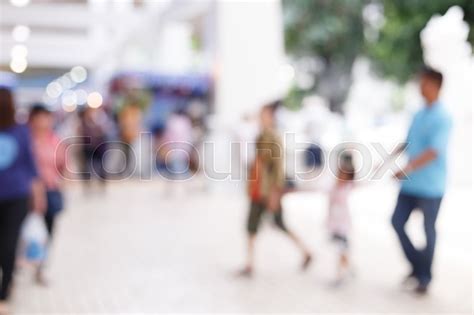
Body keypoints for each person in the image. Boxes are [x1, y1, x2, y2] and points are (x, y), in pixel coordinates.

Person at [390, 67, 452, 295]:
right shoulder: (418, 114)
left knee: (428, 230)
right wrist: (387, 160)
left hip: (430, 187)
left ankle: (424, 276)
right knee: (397, 222)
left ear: (435, 85)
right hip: (410, 185)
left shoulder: (443, 117)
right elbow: (407, 142)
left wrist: (407, 167)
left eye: (424, 82)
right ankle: (418, 265)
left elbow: (434, 151)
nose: (420, 86)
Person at [239, 104, 312, 277]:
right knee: (251, 226)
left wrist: (274, 193)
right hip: (258, 188)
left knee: (279, 224)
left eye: (263, 115)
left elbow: (277, 168)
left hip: (267, 191)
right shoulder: (260, 135)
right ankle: (250, 264)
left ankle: (306, 252)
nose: (260, 118)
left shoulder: (273, 138)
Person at [0, 88, 45, 313]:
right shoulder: (21, 131)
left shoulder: (20, 131)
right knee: (7, 244)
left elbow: (30, 165)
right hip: (17, 194)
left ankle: (5, 289)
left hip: (15, 197)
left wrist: (38, 196)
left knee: (8, 244)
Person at [29, 104, 66, 285]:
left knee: (48, 232)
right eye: (40, 117)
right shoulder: (26, 140)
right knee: (23, 232)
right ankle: (17, 265)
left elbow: (63, 164)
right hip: (26, 194)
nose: (44, 121)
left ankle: (40, 268)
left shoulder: (55, 140)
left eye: (47, 117)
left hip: (51, 191)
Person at [327, 152, 355, 285]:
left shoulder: (347, 189)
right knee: (342, 251)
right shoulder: (335, 187)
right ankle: (348, 268)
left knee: (341, 250)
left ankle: (341, 275)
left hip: (342, 227)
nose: (340, 177)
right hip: (335, 225)